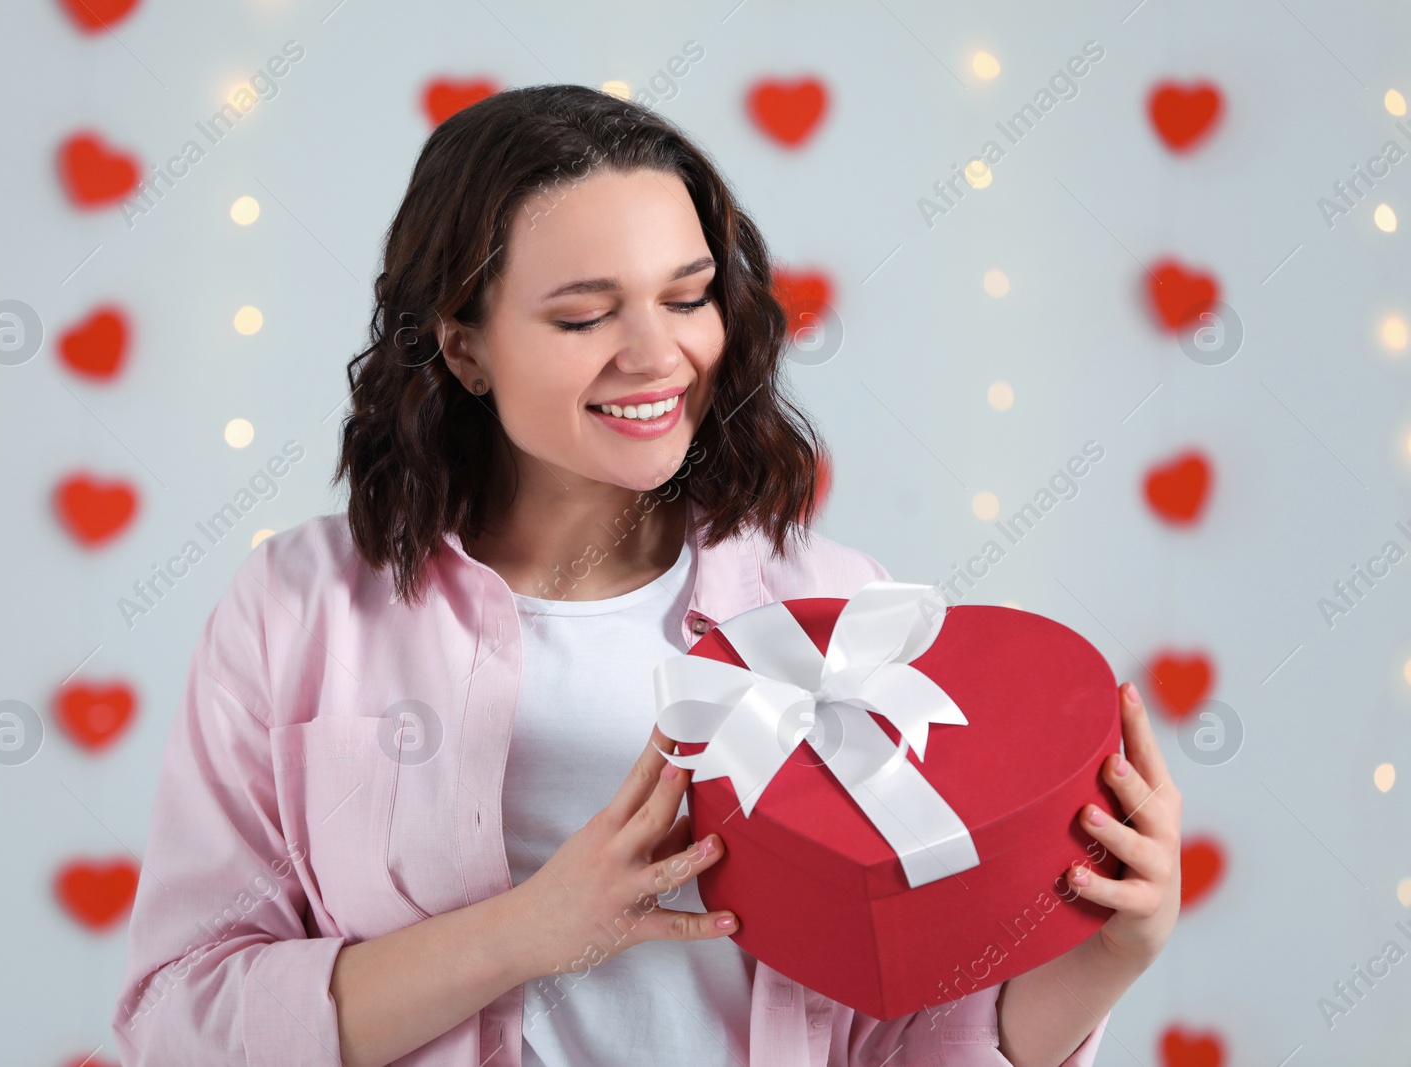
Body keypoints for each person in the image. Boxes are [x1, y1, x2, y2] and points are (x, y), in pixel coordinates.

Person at [112, 84, 1181, 1067]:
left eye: (688, 296)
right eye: (583, 315)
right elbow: (178, 1016)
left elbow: (898, 1030)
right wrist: (527, 932)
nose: (656, 354)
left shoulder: (845, 613)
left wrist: (1104, 955)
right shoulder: (299, 609)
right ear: (464, 347)